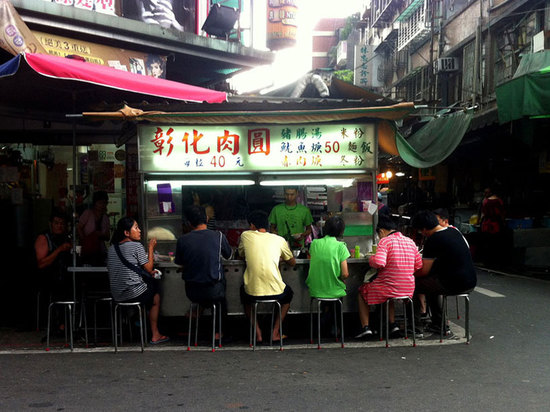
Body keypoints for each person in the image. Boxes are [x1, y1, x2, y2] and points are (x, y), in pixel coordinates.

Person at [355, 215, 422, 338]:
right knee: (388, 293)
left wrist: (371, 258)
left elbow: (379, 262)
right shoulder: (410, 241)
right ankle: (393, 325)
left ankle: (365, 327)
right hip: (408, 288)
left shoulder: (385, 241)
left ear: (381, 231)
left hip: (388, 287)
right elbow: (418, 264)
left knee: (362, 291)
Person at [411, 210, 477, 334]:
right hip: (471, 280)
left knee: (412, 285)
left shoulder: (433, 239)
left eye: (420, 231)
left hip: (454, 283)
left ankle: (415, 326)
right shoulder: (454, 231)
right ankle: (438, 323)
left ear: (424, 229)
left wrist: (409, 274)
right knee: (430, 284)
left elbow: (424, 271)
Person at [107, 217, 169, 344]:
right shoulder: (136, 246)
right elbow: (149, 267)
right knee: (155, 292)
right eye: (136, 227)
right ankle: (155, 334)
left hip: (117, 296)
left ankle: (137, 318)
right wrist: (151, 247)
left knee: (146, 288)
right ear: (126, 233)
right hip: (133, 294)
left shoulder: (112, 249)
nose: (139, 230)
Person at [238, 210, 296, 343]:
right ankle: (275, 333)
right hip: (277, 292)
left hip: (252, 292)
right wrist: (279, 258)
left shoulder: (246, 235)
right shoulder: (279, 239)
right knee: (288, 296)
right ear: (268, 225)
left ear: (252, 226)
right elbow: (292, 262)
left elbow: (241, 254)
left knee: (245, 296)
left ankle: (258, 334)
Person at [174, 205, 232, 336]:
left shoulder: (182, 240)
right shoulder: (219, 236)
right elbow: (229, 255)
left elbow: (178, 262)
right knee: (219, 297)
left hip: (192, 292)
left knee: (204, 290)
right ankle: (218, 333)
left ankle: (194, 315)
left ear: (189, 223)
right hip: (213, 291)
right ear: (206, 218)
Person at [35, 208, 73, 327]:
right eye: (56, 223)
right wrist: (59, 250)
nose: (59, 226)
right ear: (51, 224)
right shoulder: (43, 238)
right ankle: (60, 323)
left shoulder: (67, 238)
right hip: (48, 279)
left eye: (62, 224)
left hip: (65, 276)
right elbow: (41, 263)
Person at [306, 216, 349, 299]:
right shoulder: (341, 246)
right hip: (335, 291)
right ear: (341, 231)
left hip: (315, 290)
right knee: (337, 292)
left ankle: (325, 311)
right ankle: (332, 311)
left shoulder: (314, 243)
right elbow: (345, 274)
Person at [77, 191, 111, 266]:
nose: (102, 205)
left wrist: (100, 235)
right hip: (87, 251)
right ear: (95, 203)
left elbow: (108, 237)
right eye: (100, 203)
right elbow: (79, 227)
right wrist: (84, 240)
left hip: (100, 251)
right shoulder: (88, 213)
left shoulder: (105, 218)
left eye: (104, 203)